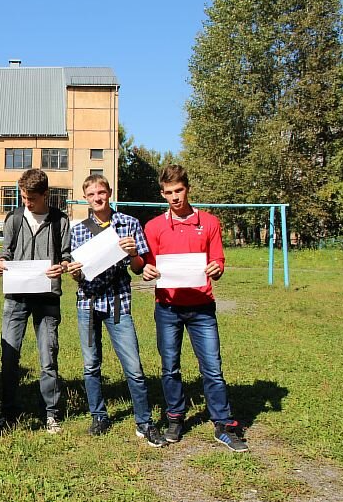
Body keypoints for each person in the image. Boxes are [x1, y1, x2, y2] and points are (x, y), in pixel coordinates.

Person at [142, 164, 248, 452]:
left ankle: (223, 424)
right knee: (170, 367)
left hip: (202, 309)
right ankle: (175, 418)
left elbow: (218, 262)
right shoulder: (154, 227)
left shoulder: (210, 223)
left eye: (179, 190)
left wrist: (217, 268)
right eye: (168, 192)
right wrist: (146, 270)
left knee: (212, 368)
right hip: (168, 308)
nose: (175, 197)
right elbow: (144, 264)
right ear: (162, 194)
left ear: (187, 188)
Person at [66, 175, 167, 447]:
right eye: (91, 194)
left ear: (109, 193)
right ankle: (99, 415)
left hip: (118, 303)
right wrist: (74, 273)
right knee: (91, 365)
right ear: (85, 198)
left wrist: (134, 254)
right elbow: (77, 271)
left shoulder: (129, 224)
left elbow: (138, 268)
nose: (97, 198)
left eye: (102, 192)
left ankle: (144, 421)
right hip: (87, 302)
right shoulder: (77, 230)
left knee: (133, 366)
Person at [0, 169, 71, 434]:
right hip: (16, 298)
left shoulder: (60, 221)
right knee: (9, 357)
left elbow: (67, 256)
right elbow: (7, 253)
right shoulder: (14, 218)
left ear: (46, 194)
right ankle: (9, 412)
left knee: (48, 356)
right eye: (23, 197)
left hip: (47, 298)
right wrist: (0, 263)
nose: (26, 202)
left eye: (31, 198)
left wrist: (63, 266)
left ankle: (51, 412)